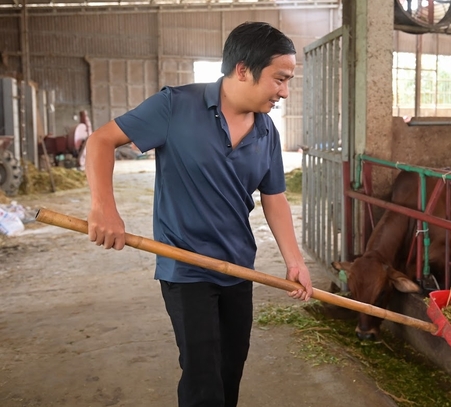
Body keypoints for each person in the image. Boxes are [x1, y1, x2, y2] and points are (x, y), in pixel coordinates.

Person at [85, 21, 313, 407]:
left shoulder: (267, 132)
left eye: (288, 81)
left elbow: (274, 199)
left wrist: (295, 261)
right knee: (202, 376)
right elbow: (101, 140)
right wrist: (104, 207)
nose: (285, 92)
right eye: (279, 79)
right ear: (242, 69)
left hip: (239, 267)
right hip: (185, 268)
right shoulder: (175, 105)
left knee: (230, 370)